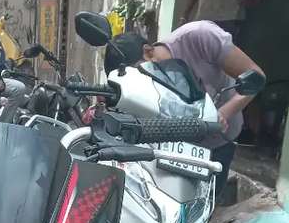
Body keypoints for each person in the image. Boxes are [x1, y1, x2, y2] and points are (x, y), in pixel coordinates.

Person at [104, 22, 265, 197]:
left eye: (140, 74)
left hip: (220, 142)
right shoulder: (140, 88)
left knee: (208, 203)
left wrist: (222, 114)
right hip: (177, 151)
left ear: (149, 52)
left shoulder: (201, 37)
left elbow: (256, 76)